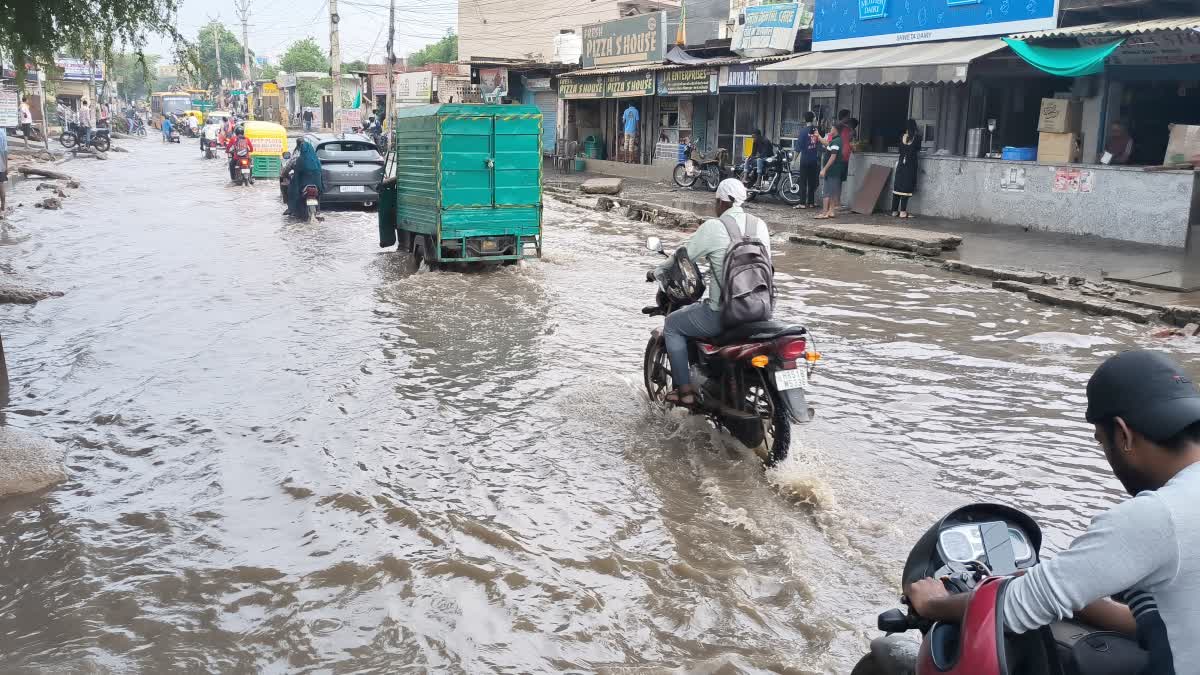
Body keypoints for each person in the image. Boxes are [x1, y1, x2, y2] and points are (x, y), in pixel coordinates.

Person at [907, 349, 1200, 672]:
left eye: (1102, 442)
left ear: (1123, 434)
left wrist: (933, 602)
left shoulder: (1158, 514)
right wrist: (1081, 597)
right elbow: (1175, 615)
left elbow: (1015, 608)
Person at [654, 179, 771, 407]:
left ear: (721, 202)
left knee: (672, 325)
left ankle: (685, 391)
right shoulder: (760, 226)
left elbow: (683, 257)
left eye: (715, 201)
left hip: (723, 314)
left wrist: (657, 271)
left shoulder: (714, 227)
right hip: (761, 312)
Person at [815, 119, 853, 220]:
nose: (830, 129)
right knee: (832, 191)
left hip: (832, 170)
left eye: (832, 127)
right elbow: (828, 145)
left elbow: (833, 157)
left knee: (827, 192)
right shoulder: (836, 140)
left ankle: (824, 213)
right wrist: (819, 137)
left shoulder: (836, 141)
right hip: (834, 170)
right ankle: (831, 211)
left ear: (835, 129)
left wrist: (824, 169)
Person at [891, 119, 921, 219]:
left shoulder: (901, 137)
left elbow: (900, 150)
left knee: (898, 187)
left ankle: (894, 211)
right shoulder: (917, 138)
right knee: (906, 188)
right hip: (910, 165)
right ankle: (903, 212)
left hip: (901, 164)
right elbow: (918, 149)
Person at [286, 140, 324, 217]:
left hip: (303, 184)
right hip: (317, 184)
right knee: (319, 193)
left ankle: (291, 208)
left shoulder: (299, 159)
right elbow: (321, 172)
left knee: (292, 190)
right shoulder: (316, 160)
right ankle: (318, 210)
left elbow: (291, 170)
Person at [793, 111, 821, 209]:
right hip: (814, 160)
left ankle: (802, 203)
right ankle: (811, 203)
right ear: (814, 119)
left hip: (804, 160)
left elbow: (798, 147)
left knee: (803, 181)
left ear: (805, 120)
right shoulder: (816, 130)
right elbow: (819, 143)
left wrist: (793, 160)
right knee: (812, 182)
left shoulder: (803, 131)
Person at [0, 130, 8, 214]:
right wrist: (6, 166)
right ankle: (2, 207)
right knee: (1, 184)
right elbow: (5, 151)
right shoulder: (2, 133)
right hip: (1, 164)